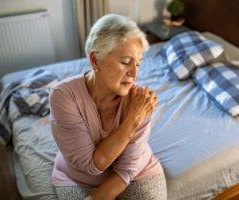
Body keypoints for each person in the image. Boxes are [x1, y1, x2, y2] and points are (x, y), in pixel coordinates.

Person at [49, 14, 167, 200]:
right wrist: (132, 120)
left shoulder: (140, 101)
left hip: (135, 172)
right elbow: (90, 165)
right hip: (79, 179)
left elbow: (126, 170)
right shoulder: (64, 96)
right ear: (95, 60)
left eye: (138, 64)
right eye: (126, 62)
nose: (135, 73)